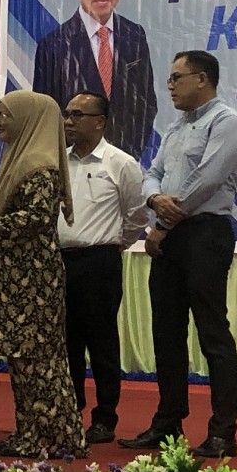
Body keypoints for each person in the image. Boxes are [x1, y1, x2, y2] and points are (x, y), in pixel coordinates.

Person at [119, 51, 237, 459]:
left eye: (177, 77)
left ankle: (223, 431)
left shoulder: (226, 122)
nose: (170, 85)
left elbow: (206, 179)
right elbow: (152, 173)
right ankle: (168, 422)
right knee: (166, 332)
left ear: (203, 79)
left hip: (204, 234)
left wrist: (162, 223)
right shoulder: (175, 127)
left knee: (212, 332)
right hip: (171, 235)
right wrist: (153, 197)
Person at [0, 91, 88, 459]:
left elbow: (38, 217)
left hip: (34, 277)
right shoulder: (19, 158)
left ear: (30, 119)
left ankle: (58, 437)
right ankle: (30, 433)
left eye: (7, 115)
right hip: (16, 272)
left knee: (39, 359)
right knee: (20, 357)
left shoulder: (39, 164)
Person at [59, 92, 148, 444]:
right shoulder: (58, 161)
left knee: (102, 342)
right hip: (61, 261)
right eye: (66, 114)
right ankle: (69, 412)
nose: (68, 121)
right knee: (66, 342)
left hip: (100, 262)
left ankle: (105, 417)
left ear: (100, 121)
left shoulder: (120, 163)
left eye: (77, 115)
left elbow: (137, 215)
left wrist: (113, 244)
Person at [33, 0, 157, 161]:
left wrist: (124, 157)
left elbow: (145, 105)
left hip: (122, 163)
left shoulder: (135, 36)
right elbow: (46, 115)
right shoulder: (53, 45)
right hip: (73, 162)